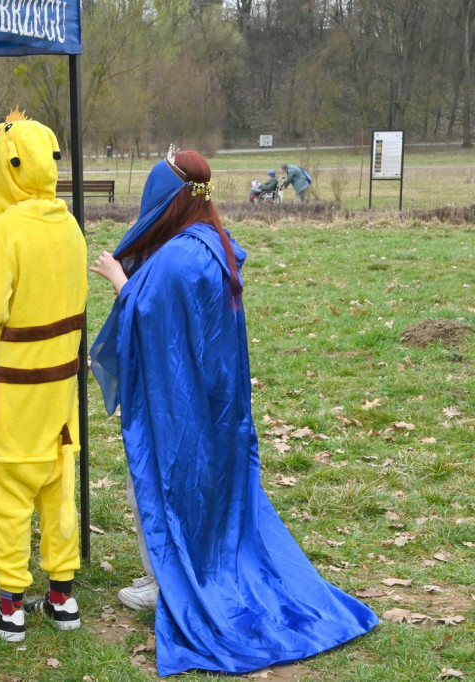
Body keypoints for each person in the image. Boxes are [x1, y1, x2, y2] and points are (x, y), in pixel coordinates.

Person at [90, 149, 378, 677]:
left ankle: (170, 584)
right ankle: (178, 573)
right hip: (215, 406)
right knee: (206, 492)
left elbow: (150, 324)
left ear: (168, 202)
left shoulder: (180, 259)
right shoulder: (211, 244)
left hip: (181, 408)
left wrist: (117, 279)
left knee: (158, 485)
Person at [0, 110, 88, 643]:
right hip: (61, 392)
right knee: (58, 491)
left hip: (13, 391)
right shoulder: (71, 225)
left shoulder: (4, 231)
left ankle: (11, 608)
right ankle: (62, 597)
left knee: (9, 495)